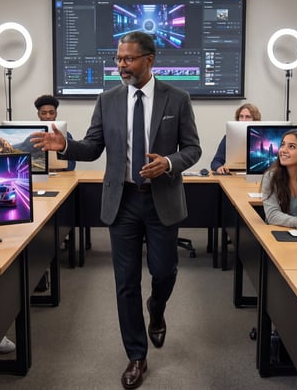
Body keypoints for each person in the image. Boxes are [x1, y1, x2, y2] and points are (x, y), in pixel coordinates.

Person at [31, 31, 201, 389]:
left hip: (162, 200)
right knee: (125, 283)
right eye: (118, 59)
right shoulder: (107, 99)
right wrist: (65, 146)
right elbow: (93, 147)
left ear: (149, 60)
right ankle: (136, 356)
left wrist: (169, 163)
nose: (120, 65)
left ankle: (157, 308)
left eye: (128, 59)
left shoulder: (178, 98)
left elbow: (193, 149)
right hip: (121, 201)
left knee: (163, 272)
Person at [261, 129, 297, 228]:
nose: (283, 150)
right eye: (282, 145)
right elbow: (273, 216)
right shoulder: (271, 176)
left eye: (291, 146)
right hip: (280, 233)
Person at [210, 102, 261, 174]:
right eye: (241, 116)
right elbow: (216, 162)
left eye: (248, 117)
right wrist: (219, 167)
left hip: (256, 175)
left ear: (255, 120)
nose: (243, 120)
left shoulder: (261, 138)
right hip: (234, 176)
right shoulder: (229, 137)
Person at [35, 94, 76, 171]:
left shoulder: (66, 135)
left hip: (60, 177)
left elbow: (71, 165)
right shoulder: (33, 136)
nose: (48, 116)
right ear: (38, 115)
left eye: (51, 113)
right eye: (44, 113)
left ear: (56, 114)